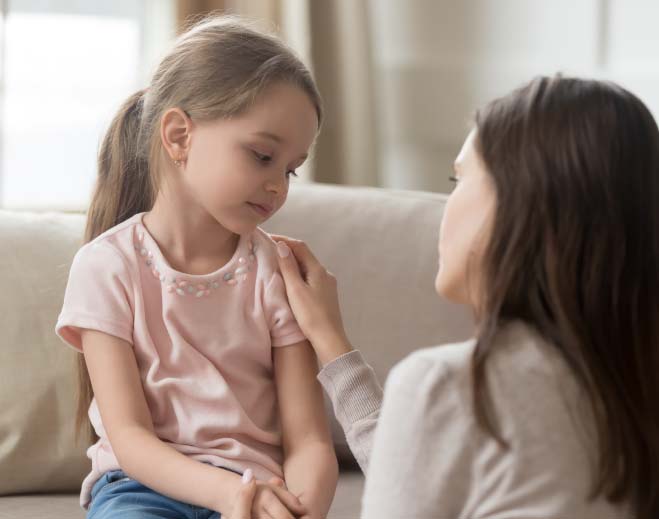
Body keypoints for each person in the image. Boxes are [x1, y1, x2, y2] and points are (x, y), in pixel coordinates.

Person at [268, 76, 659, 518]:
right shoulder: (631, 388)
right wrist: (331, 342)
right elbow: (425, 475)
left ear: (520, 203)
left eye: (459, 179)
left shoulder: (450, 386)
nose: (446, 207)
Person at [55, 16, 337, 519]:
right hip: (138, 488)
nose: (279, 187)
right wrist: (227, 495)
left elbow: (309, 439)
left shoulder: (277, 271)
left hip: (258, 490)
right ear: (180, 136)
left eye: (290, 168)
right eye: (262, 155)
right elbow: (131, 438)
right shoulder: (106, 267)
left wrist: (303, 509)